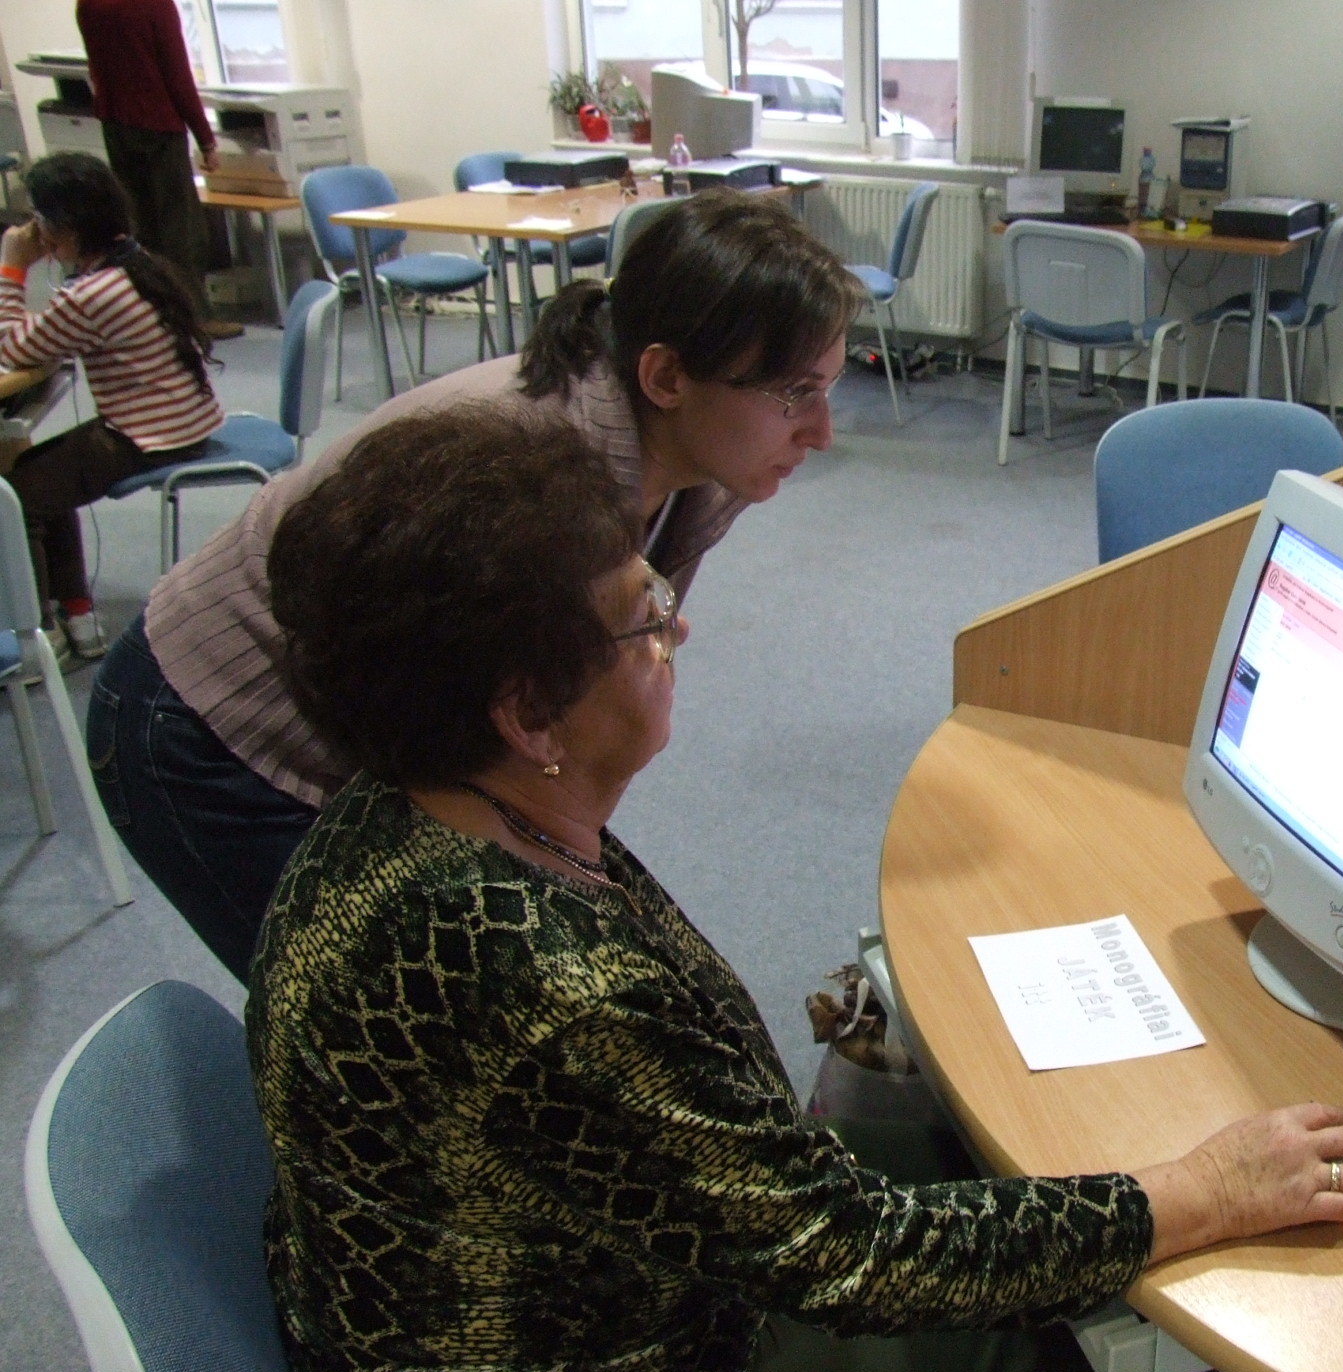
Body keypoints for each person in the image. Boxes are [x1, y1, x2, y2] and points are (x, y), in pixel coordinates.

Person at [249, 402, 1343, 1372]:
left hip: (492, 1315)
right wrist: (1205, 1192)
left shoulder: (398, 808)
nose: (675, 633)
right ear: (528, 718)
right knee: (982, 1356)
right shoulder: (549, 982)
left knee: (948, 1150)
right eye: (642, 617)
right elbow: (848, 1257)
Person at [88, 188, 853, 982]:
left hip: (374, 718)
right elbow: (463, 740)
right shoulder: (533, 474)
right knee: (365, 1005)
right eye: (794, 393)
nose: (823, 432)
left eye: (829, 387)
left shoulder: (706, 460)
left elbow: (582, 710)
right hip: (209, 720)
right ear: (665, 375)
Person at [1, 152, 223, 661]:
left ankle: (38, 638)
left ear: (66, 227)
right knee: (39, 472)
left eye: (39, 218)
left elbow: (13, 348)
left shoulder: (92, 294)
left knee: (16, 500)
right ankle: (79, 616)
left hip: (148, 438)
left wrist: (12, 267)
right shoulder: (136, 262)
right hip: (181, 422)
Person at [75, 0, 242, 338]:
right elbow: (178, 77)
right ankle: (195, 316)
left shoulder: (88, 4)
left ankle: (155, 313)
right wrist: (206, 140)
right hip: (159, 125)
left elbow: (97, 69)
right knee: (182, 229)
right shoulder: (155, 5)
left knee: (139, 226)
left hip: (116, 125)